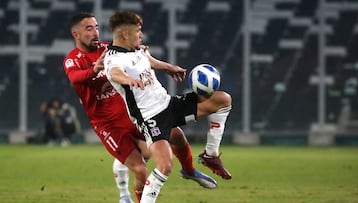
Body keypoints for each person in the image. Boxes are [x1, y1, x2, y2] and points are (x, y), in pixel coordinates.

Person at [63, 12, 216, 203]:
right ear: (76, 34)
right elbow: (74, 77)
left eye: (96, 27)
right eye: (88, 28)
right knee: (141, 169)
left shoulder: (107, 48)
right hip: (108, 125)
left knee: (176, 135)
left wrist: (157, 61)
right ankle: (126, 196)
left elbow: (140, 56)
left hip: (130, 114)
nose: (95, 32)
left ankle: (189, 170)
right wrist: (94, 69)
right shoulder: (73, 59)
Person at [104, 10, 232, 202]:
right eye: (138, 31)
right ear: (124, 34)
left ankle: (210, 155)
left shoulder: (137, 49)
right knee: (165, 166)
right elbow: (114, 73)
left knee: (222, 100)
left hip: (168, 104)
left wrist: (169, 68)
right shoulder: (113, 59)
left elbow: (149, 61)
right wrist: (127, 79)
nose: (141, 34)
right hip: (150, 118)